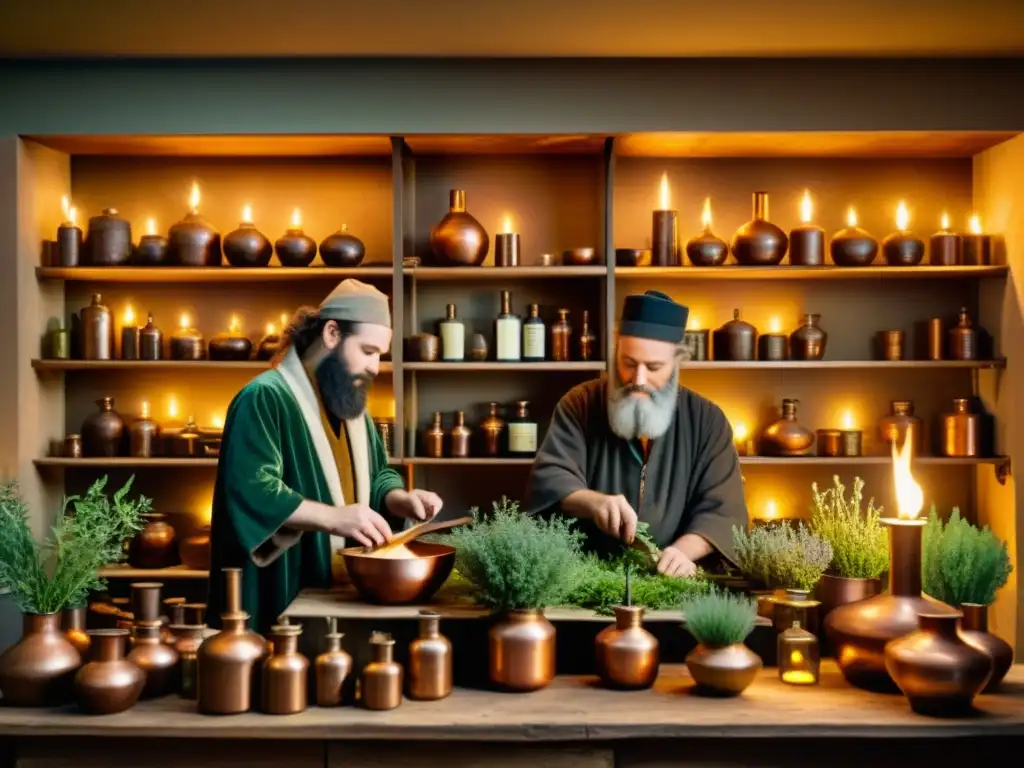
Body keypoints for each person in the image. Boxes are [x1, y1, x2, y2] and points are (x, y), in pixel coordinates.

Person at [206, 279, 443, 632]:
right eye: (368, 351)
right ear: (332, 333)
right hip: (283, 585)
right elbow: (251, 491)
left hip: (343, 591)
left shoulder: (352, 406)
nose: (376, 367)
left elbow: (378, 475)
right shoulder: (264, 397)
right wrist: (334, 518)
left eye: (380, 354)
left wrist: (399, 499)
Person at [526, 289, 746, 577]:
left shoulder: (707, 420)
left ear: (677, 361)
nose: (638, 380)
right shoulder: (580, 403)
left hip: (670, 583)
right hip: (582, 576)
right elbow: (551, 477)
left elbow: (724, 512)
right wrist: (595, 502)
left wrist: (682, 553)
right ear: (617, 349)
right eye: (628, 363)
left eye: (653, 367)